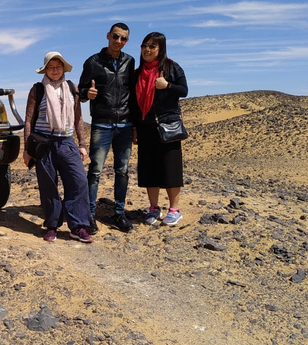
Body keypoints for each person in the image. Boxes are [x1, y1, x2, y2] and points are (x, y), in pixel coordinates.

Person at [23, 51, 93, 243]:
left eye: (58, 66)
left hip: (67, 142)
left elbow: (78, 118)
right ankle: (52, 225)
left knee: (79, 182)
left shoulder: (71, 88)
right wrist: (27, 149)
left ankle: (78, 226)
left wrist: (82, 144)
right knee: (48, 186)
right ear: (45, 70)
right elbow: (29, 120)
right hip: (44, 143)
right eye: (51, 67)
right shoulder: (38, 89)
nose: (54, 70)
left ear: (63, 68)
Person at [78, 23, 135, 234]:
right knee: (95, 170)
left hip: (125, 124)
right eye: (116, 36)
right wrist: (87, 94)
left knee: (122, 170)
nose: (118, 41)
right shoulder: (93, 62)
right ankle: (89, 214)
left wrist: (135, 125)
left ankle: (119, 214)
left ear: (127, 41)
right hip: (102, 123)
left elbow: (133, 93)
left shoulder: (130, 62)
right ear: (108, 36)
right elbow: (81, 91)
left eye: (123, 38)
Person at [130, 31, 189, 226]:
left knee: (171, 168)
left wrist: (167, 85)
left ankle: (175, 209)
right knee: (149, 169)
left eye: (152, 46)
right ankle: (154, 208)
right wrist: (135, 127)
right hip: (146, 127)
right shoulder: (137, 73)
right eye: (144, 45)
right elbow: (134, 103)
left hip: (167, 126)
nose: (147, 49)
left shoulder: (171, 67)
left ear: (161, 48)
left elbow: (184, 90)